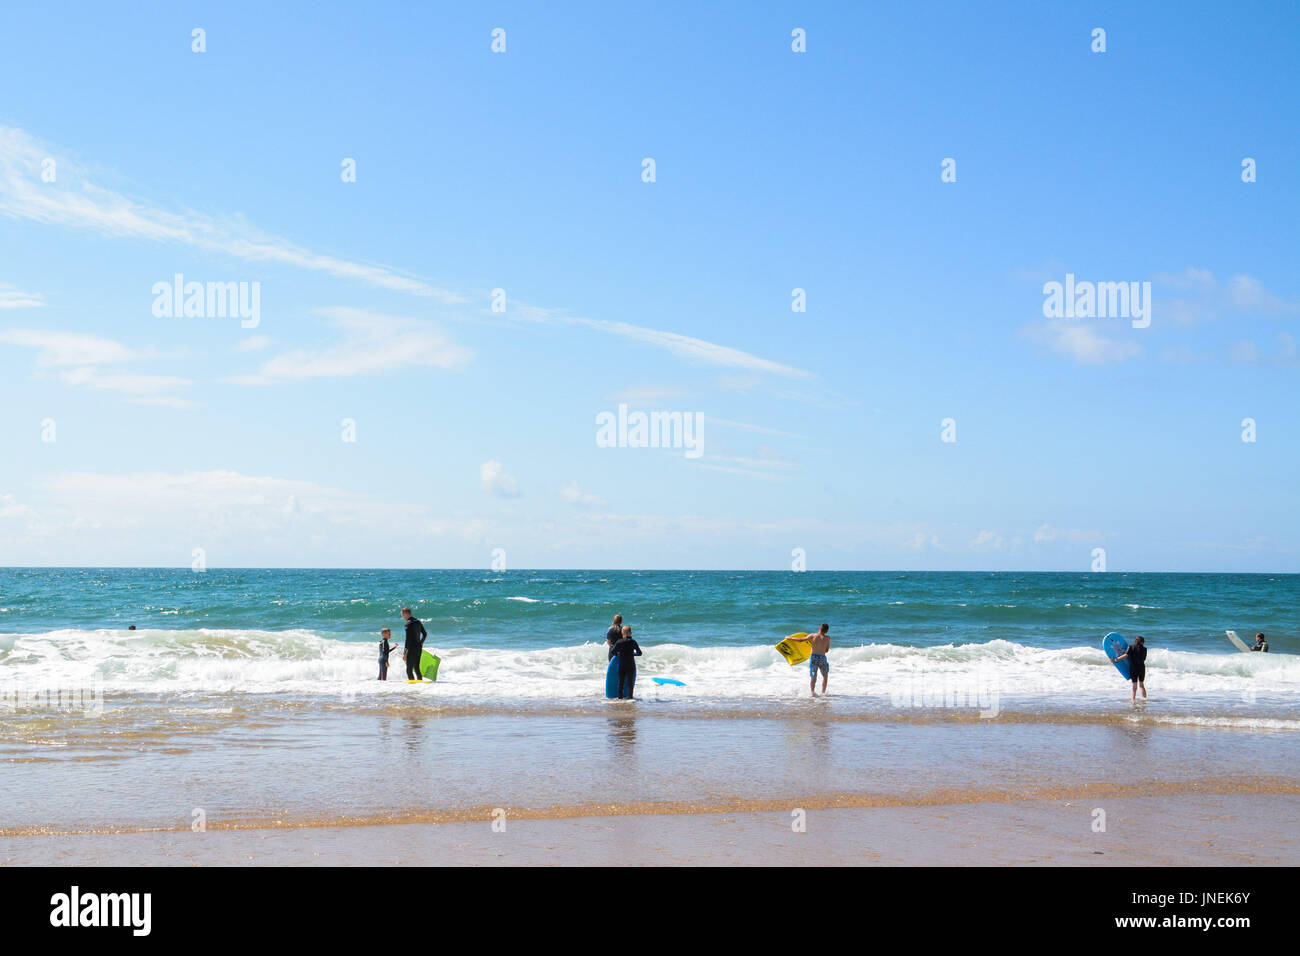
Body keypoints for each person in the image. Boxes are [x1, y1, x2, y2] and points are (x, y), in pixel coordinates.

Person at [791, 624, 832, 697]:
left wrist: (790, 638)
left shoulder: (813, 636)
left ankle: (812, 692)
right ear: (827, 631)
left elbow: (801, 640)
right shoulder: (828, 638)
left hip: (813, 657)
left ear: (819, 628)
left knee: (813, 676)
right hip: (822, 658)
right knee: (825, 676)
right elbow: (826, 650)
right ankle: (823, 693)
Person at [1111, 634, 1147, 702]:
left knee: (1134, 686)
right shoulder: (1145, 649)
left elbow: (1125, 655)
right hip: (1142, 667)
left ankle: (1133, 701)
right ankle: (1144, 700)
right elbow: (1144, 659)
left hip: (1134, 668)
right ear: (1142, 642)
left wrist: (1116, 660)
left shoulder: (1131, 647)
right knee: (1141, 685)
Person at [612, 624, 642, 700]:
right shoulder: (633, 642)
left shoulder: (619, 642)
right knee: (630, 683)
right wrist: (633, 654)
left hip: (622, 664)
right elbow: (640, 653)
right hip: (631, 664)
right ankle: (630, 698)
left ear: (622, 633)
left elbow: (613, 652)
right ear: (631, 633)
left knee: (621, 682)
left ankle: (620, 698)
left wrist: (618, 654)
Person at [401, 607, 428, 681]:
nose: (402, 617)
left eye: (402, 615)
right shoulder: (418, 622)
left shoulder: (408, 624)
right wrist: (421, 643)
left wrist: (405, 653)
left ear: (406, 614)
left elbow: (408, 640)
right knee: (416, 668)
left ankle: (412, 688)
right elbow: (425, 634)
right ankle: (419, 685)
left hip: (411, 649)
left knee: (409, 670)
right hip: (418, 648)